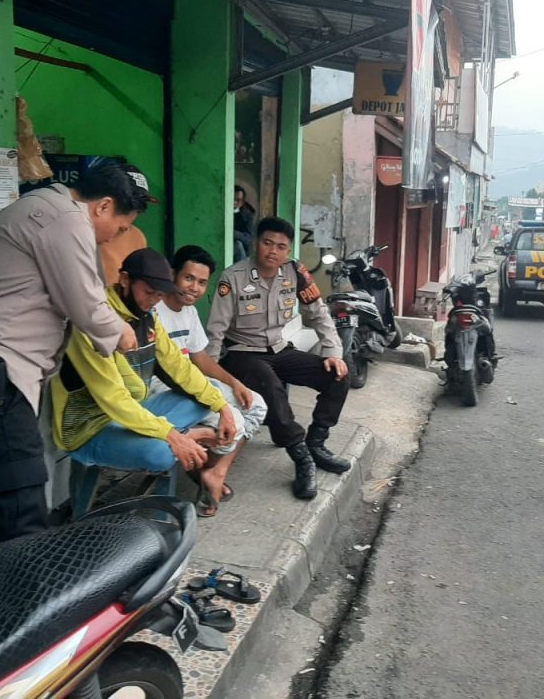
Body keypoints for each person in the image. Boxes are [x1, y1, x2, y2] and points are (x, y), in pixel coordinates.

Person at [0, 163, 150, 549]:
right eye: (121, 226)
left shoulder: (48, 211)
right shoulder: (64, 219)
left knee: (4, 513)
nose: (117, 236)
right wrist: (123, 333)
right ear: (103, 206)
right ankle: (21, 604)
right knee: (21, 518)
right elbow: (86, 302)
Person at [50, 248, 240, 516]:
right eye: (149, 292)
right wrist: (171, 435)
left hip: (134, 412)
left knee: (209, 395)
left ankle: (179, 437)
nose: (153, 301)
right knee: (162, 454)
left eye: (159, 295)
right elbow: (114, 399)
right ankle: (182, 439)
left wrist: (223, 408)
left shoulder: (148, 316)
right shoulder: (95, 321)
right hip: (90, 429)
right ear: (125, 280)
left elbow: (178, 366)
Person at [206, 216, 350, 500]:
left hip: (279, 348)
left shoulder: (295, 272)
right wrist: (208, 379)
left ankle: (317, 443)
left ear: (289, 250)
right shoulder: (232, 278)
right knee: (269, 385)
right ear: (255, 243)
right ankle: (301, 458)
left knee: (337, 375)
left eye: (281, 246)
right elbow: (216, 332)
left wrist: (333, 352)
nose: (273, 251)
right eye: (267, 243)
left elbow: (318, 313)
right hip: (241, 353)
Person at [152, 245, 269, 512]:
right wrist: (218, 399)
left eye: (202, 282)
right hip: (164, 387)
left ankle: (215, 472)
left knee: (256, 404)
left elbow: (200, 359)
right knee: (233, 423)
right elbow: (170, 370)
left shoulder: (189, 312)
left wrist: (235, 384)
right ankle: (201, 472)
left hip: (193, 382)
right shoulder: (155, 308)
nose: (194, 287)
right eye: (188, 278)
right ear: (173, 274)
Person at [233, 186, 256, 261]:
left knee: (238, 244)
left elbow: (248, 238)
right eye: (232, 199)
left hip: (241, 250)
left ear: (242, 202)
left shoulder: (247, 214)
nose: (234, 202)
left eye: (238, 200)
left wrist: (232, 233)